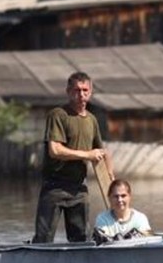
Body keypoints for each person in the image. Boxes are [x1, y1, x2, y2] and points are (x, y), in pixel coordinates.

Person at [32, 71, 113, 243]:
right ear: (68, 92)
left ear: (90, 92)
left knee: (81, 240)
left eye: (85, 90)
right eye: (76, 90)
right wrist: (87, 154)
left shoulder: (91, 119)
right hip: (54, 187)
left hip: (78, 189)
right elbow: (55, 150)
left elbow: (102, 151)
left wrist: (111, 179)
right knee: (44, 239)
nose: (81, 94)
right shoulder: (59, 114)